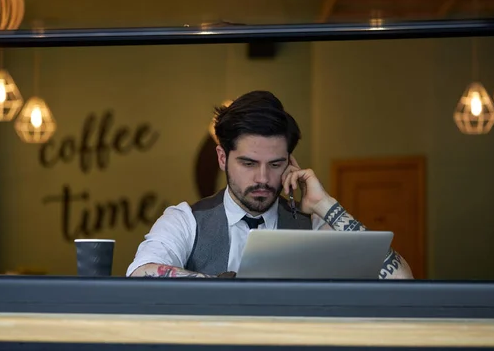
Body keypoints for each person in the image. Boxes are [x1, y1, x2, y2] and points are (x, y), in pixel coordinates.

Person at [126, 90, 413, 279]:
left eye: (275, 164)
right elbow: (140, 274)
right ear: (222, 158)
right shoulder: (185, 220)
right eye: (249, 164)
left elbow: (400, 280)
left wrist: (324, 205)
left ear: (290, 161)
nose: (263, 178)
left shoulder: (311, 225)